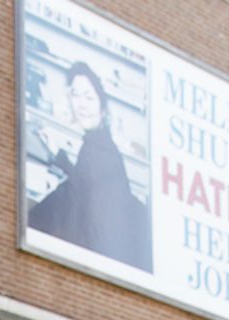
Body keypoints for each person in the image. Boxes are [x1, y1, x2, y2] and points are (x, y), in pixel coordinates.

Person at [27, 61, 152, 270]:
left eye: (89, 97)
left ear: (102, 108)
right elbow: (83, 182)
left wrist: (28, 221)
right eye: (76, 95)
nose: (81, 104)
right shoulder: (97, 142)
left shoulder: (99, 147)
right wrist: (58, 156)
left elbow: (76, 194)